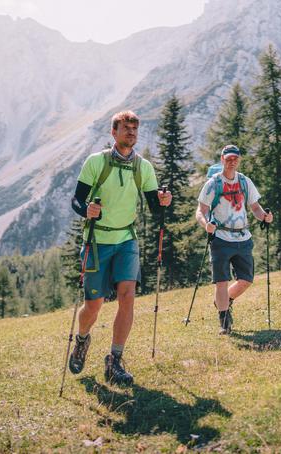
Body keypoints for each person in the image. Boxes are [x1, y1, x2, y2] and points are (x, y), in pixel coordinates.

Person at [68, 110, 172, 386]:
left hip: (127, 239)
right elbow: (76, 201)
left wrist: (163, 200)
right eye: (126, 129)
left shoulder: (143, 167)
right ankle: (82, 339)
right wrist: (86, 210)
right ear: (113, 133)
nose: (131, 134)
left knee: (127, 297)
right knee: (93, 305)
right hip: (97, 241)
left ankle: (114, 359)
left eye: (135, 130)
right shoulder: (96, 162)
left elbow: (153, 206)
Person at [196, 144, 273, 334]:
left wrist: (264, 216)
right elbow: (201, 210)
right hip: (220, 237)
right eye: (228, 158)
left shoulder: (245, 182)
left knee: (246, 279)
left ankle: (224, 301)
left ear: (239, 160)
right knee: (221, 281)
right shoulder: (213, 183)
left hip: (242, 236)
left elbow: (254, 207)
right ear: (222, 159)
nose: (232, 162)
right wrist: (206, 224)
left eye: (235, 159)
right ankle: (224, 322)